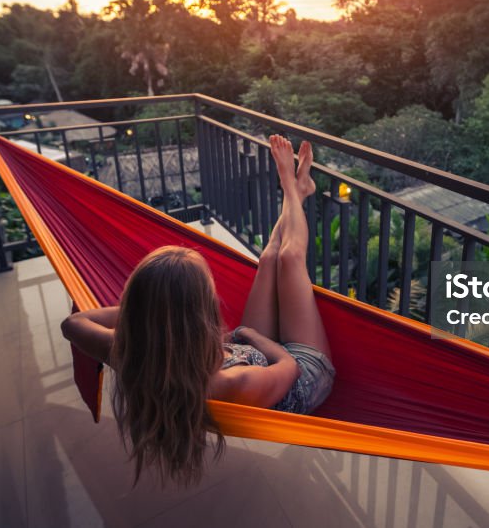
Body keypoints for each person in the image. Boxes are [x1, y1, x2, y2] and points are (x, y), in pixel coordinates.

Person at [60, 135, 335, 485]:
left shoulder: (128, 353)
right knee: (290, 257)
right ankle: (292, 188)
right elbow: (290, 366)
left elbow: (73, 324)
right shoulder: (230, 383)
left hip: (241, 350)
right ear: (197, 315)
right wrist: (248, 335)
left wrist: (147, 313)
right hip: (302, 376)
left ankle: (297, 193)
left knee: (268, 258)